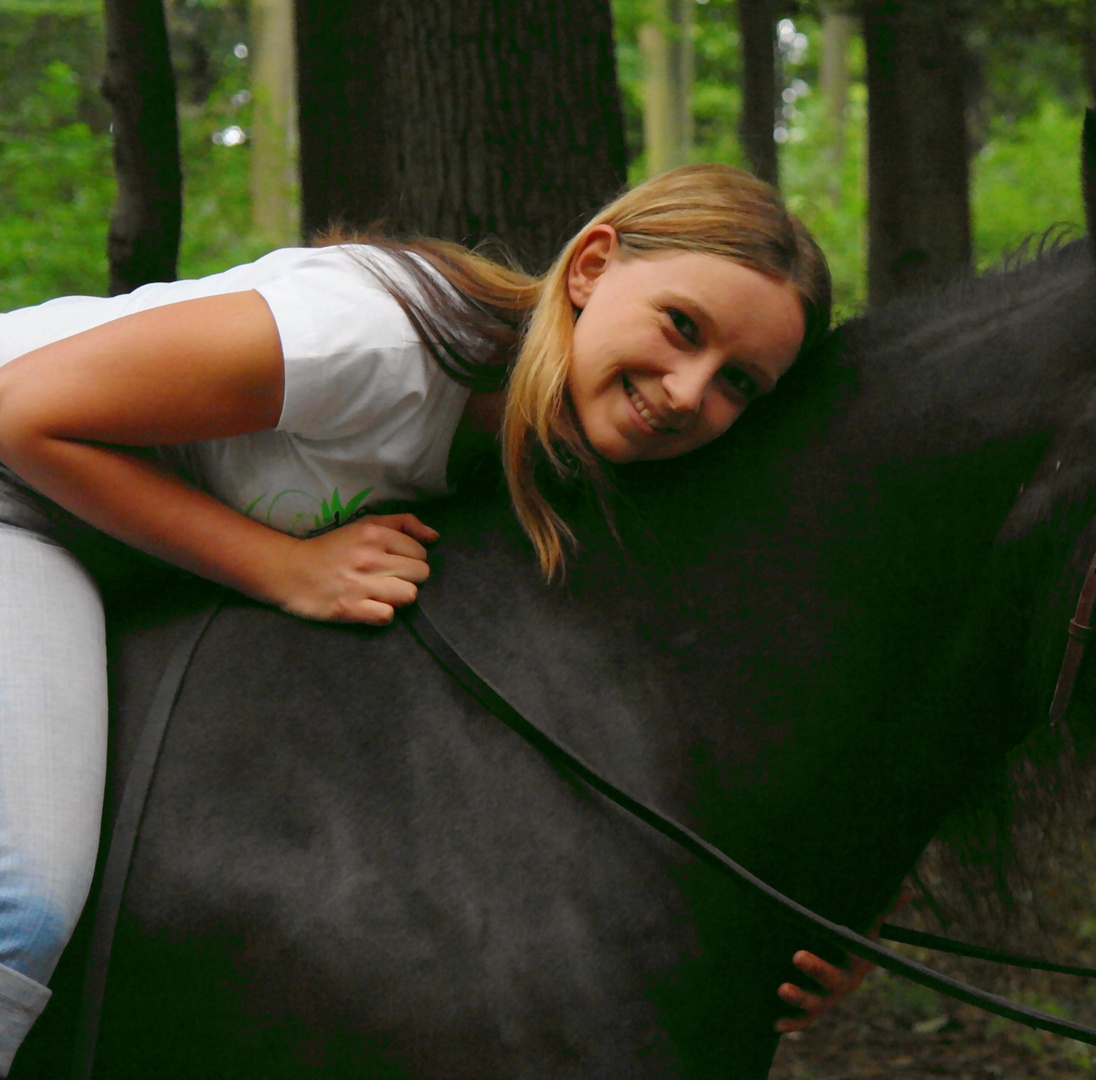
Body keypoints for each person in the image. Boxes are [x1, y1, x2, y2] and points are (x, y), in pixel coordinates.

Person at [0, 164, 864, 1071]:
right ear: (592, 266)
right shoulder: (374, 342)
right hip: (17, 485)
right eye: (681, 327)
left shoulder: (572, 442)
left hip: (99, 552)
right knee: (22, 905)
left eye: (738, 383)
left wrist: (815, 918)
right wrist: (283, 568)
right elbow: (24, 414)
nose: (689, 392)